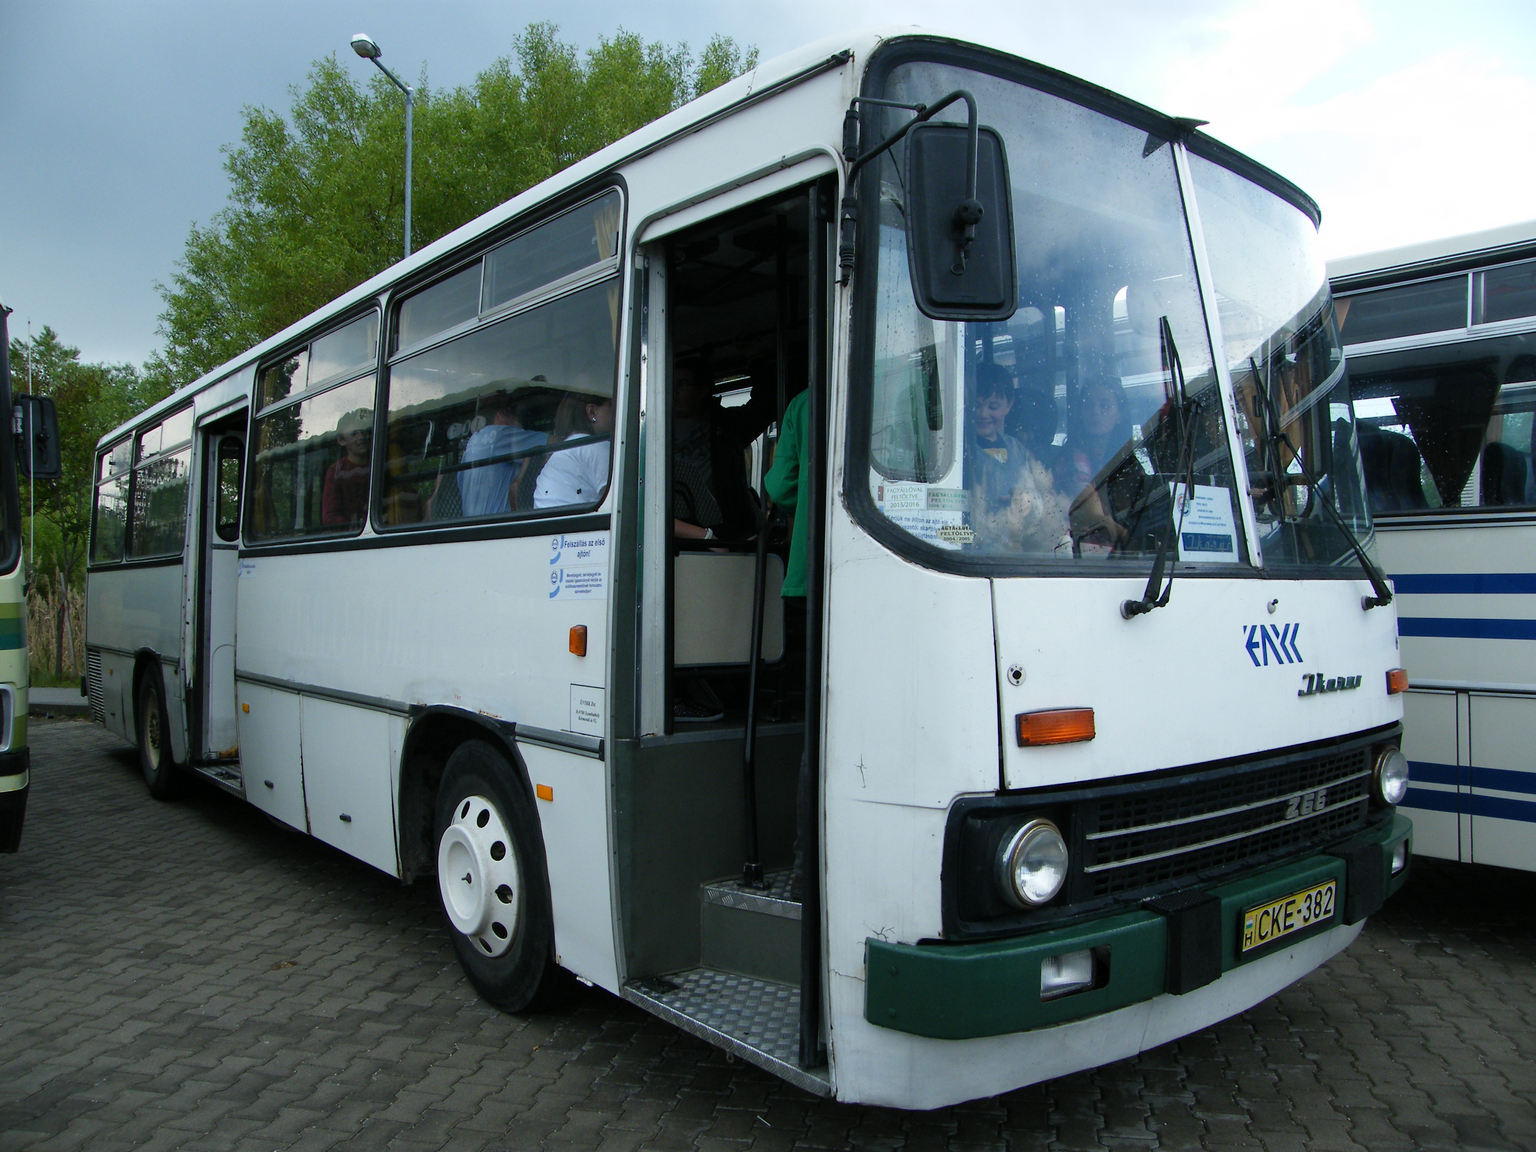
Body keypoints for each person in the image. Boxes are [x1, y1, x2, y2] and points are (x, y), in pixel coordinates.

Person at [966, 364, 1068, 554]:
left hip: (1015, 547)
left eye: (993, 406)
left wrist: (1028, 501)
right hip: (978, 550)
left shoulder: (1017, 449)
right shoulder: (964, 450)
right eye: (976, 405)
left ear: (1009, 404)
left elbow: (1038, 496)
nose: (983, 414)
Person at [672, 358, 770, 542]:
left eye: (682, 384)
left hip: (722, 531)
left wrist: (754, 358)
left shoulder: (728, 425)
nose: (674, 391)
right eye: (671, 383)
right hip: (672, 531)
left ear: (703, 391)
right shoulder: (655, 429)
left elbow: (766, 405)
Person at [1062, 376, 1133, 550]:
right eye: (1088, 405)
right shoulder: (1071, 458)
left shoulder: (1128, 460)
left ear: (1120, 415)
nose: (1095, 411)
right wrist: (1132, 538)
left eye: (1104, 406)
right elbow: (1093, 517)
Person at [458, 388, 545, 517]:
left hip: (470, 526)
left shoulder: (471, 443)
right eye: (519, 424)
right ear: (502, 417)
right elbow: (558, 442)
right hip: (499, 523)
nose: (520, 431)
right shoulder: (501, 434)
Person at [533, 386, 614, 508]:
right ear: (592, 412)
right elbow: (620, 498)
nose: (617, 413)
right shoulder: (593, 445)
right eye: (612, 406)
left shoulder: (571, 445)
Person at [321, 408, 372, 527]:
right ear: (341, 440)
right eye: (354, 434)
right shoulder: (336, 471)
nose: (361, 437)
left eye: (363, 431)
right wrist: (356, 524)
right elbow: (330, 517)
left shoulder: (380, 464)